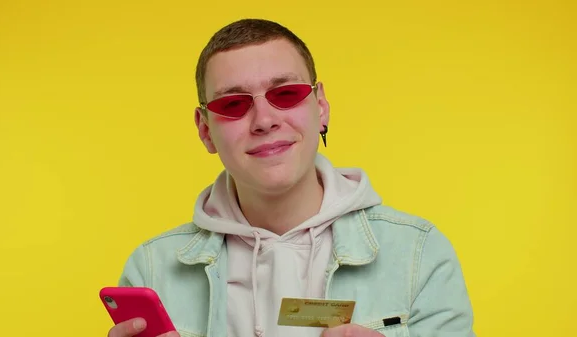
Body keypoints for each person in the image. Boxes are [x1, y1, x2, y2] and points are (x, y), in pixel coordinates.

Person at [107, 18, 476, 337]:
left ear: (321, 107)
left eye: (286, 94)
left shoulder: (419, 256)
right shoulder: (150, 270)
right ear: (205, 130)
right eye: (233, 104)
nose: (265, 120)